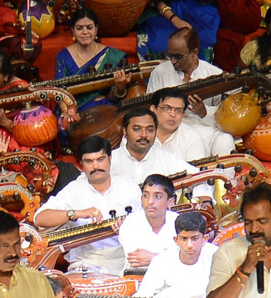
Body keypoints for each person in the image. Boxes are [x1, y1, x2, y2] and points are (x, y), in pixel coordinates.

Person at [34, 136, 141, 274]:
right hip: (85, 265)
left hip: (125, 262)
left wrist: (128, 227)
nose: (95, 166)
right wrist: (75, 213)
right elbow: (40, 218)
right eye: (89, 161)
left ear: (110, 159)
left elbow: (146, 226)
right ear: (81, 164)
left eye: (100, 159)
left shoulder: (129, 188)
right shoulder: (73, 190)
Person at [144, 28, 236, 155]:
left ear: (194, 52)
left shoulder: (214, 74)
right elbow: (151, 109)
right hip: (172, 133)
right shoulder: (160, 72)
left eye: (179, 56)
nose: (173, 61)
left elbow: (226, 115)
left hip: (206, 129)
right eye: (170, 55)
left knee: (225, 140)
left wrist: (204, 111)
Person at [136, 210, 221, 298]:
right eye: (184, 239)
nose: (189, 245)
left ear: (204, 239)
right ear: (176, 240)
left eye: (194, 238)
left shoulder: (217, 256)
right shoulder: (161, 260)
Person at [54, 6, 130, 112]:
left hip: (103, 107)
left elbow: (115, 97)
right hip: (74, 109)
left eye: (89, 27)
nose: (85, 32)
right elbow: (59, 91)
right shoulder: (63, 56)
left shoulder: (111, 55)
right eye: (79, 28)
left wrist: (120, 87)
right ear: (72, 30)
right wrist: (68, 113)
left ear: (96, 29)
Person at [110, 110, 199, 190]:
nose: (144, 135)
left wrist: (205, 198)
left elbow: (200, 178)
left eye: (150, 130)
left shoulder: (167, 159)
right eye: (137, 129)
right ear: (125, 132)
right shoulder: (110, 160)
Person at [118, 174, 179, 271]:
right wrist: (168, 258)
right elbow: (136, 260)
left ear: (170, 202)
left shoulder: (179, 222)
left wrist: (152, 257)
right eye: (146, 195)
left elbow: (185, 260)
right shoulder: (131, 222)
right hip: (137, 278)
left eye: (157, 196)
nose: (150, 201)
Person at [151, 87, 212, 162]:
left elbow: (195, 172)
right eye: (167, 108)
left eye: (178, 110)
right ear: (153, 109)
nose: (173, 114)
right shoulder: (141, 135)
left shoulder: (192, 138)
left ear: (183, 114)